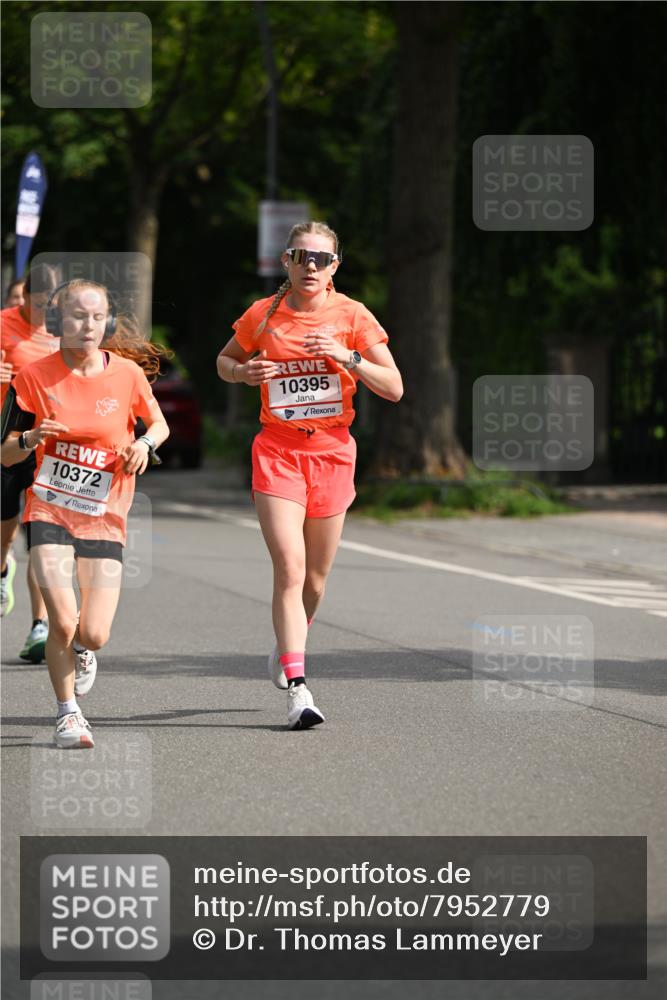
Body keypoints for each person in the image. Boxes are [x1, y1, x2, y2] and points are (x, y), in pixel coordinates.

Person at [217, 222, 403, 730]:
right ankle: (299, 688)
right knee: (290, 567)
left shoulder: (353, 316)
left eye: (322, 259)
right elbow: (225, 360)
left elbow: (394, 387)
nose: (311, 266)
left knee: (315, 582)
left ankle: (289, 643)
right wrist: (243, 373)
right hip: (277, 451)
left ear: (335, 266)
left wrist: (348, 357)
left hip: (333, 453)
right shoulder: (265, 314)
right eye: (302, 257)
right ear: (288, 262)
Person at [1, 279, 170, 748]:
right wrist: (33, 440)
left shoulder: (128, 375)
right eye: (77, 316)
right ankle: (68, 712)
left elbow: (158, 423)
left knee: (93, 632)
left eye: (97, 317)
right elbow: (5, 453)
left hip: (104, 514)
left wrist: (143, 443)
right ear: (58, 321)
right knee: (61, 619)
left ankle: (82, 651)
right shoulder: (33, 376)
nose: (88, 325)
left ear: (108, 321)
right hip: (49, 509)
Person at [1, 264, 59, 666]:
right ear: (24, 298)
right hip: (7, 439)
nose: (44, 312)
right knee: (5, 530)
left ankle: (39, 624)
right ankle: (3, 567)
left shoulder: (61, 331)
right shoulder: (3, 323)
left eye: (50, 304)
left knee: (40, 538)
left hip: (45, 441)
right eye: (38, 304)